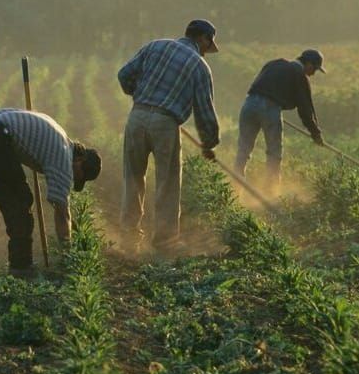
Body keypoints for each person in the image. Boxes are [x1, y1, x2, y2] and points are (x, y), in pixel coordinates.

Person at [0, 108, 101, 281]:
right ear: (80, 160)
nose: (72, 178)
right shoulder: (64, 156)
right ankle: (21, 271)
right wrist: (67, 253)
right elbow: (62, 212)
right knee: (20, 204)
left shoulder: (57, 134)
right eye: (77, 175)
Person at [117, 19, 221, 252]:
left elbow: (124, 75)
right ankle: (164, 241)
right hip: (165, 123)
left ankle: (128, 237)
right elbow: (204, 110)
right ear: (203, 39)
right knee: (167, 182)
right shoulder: (199, 66)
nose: (208, 49)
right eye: (208, 42)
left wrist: (141, 95)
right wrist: (209, 143)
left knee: (133, 178)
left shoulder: (156, 46)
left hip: (138, 116)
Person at [234, 49, 325, 192]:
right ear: (308, 63)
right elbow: (305, 109)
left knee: (243, 149)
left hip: (249, 104)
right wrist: (315, 133)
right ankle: (271, 191)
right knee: (274, 152)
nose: (313, 73)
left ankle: (235, 188)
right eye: (314, 69)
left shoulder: (274, 63)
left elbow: (260, 85)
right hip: (270, 108)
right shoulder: (299, 74)